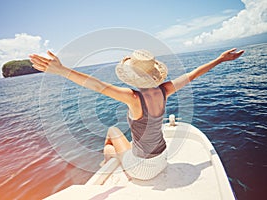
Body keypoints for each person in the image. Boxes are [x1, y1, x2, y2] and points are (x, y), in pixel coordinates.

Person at [29, 48, 244, 180]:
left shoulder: (133, 98)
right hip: (163, 159)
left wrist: (62, 70)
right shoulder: (165, 90)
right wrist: (220, 59)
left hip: (143, 170)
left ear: (132, 76)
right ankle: (121, 159)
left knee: (112, 133)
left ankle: (109, 163)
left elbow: (97, 86)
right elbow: (193, 74)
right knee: (129, 142)